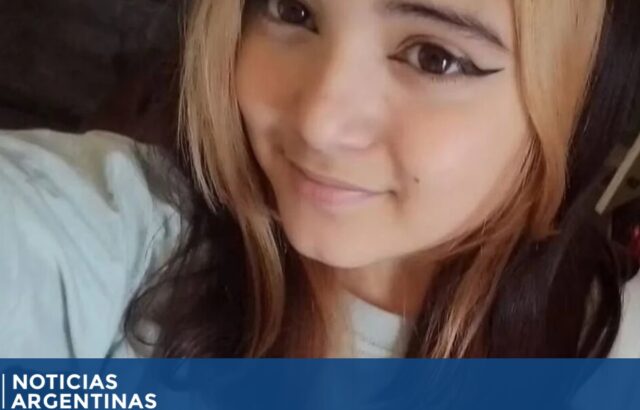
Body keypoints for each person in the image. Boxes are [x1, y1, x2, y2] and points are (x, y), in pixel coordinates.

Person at [1, 0, 639, 358]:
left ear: (574, 110)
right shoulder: (130, 242)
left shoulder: (604, 354)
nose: (318, 124)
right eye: (293, 10)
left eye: (434, 57)